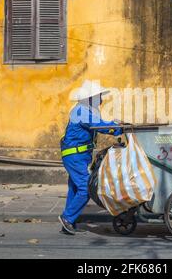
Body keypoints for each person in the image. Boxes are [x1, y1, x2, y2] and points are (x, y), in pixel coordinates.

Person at [59, 80, 123, 235]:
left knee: (75, 188)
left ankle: (68, 223)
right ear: (90, 98)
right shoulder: (82, 111)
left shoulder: (86, 110)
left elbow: (99, 123)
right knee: (85, 188)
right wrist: (117, 128)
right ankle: (67, 218)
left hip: (79, 155)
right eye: (98, 96)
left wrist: (114, 124)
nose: (101, 99)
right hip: (75, 155)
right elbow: (99, 126)